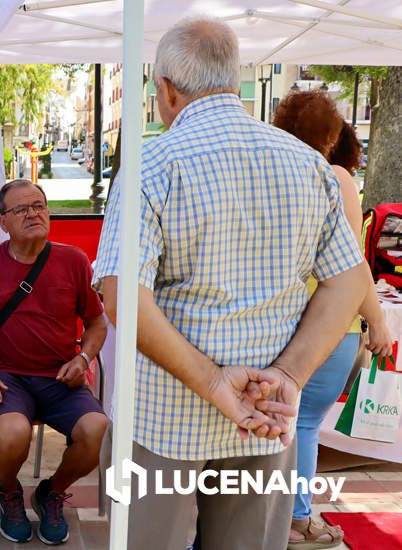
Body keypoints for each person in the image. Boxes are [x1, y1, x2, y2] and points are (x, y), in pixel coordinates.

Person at [93, 17, 370, 550]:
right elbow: (349, 281)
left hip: (166, 417)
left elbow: (122, 298)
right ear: (234, 78)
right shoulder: (308, 164)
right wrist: (289, 373)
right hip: (267, 411)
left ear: (166, 91)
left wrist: (217, 384)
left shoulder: (152, 165)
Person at [0, 179, 108, 545]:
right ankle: (10, 491)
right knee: (14, 433)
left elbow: (96, 323)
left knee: (97, 429)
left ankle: (50, 493)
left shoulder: (74, 261)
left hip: (61, 378)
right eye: (21, 209)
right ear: (3, 222)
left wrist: (84, 356)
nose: (33, 214)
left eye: (39, 206)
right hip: (6, 379)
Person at [273, 94, 394, 548]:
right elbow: (349, 264)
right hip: (328, 322)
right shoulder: (335, 176)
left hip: (280, 320)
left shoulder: (275, 174)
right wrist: (377, 319)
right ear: (332, 135)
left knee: (281, 424)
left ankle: (276, 512)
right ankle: (299, 517)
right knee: (302, 424)